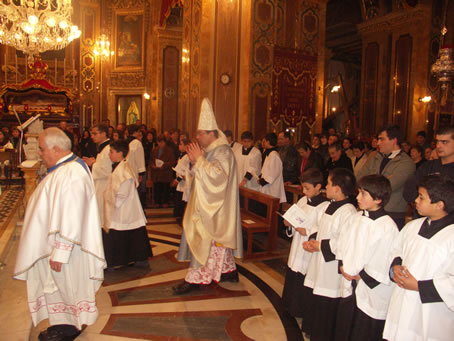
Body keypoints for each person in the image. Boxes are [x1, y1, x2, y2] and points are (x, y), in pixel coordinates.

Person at [14, 127, 105, 341]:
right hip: (58, 246)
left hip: (66, 250)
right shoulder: (66, 168)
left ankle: (68, 328)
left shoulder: (72, 173)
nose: (40, 154)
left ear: (56, 149)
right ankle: (63, 324)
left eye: (43, 149)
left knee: (66, 286)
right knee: (57, 287)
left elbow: (72, 214)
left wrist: (61, 251)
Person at [173, 98, 243, 294]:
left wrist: (200, 161)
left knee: (204, 241)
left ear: (211, 133)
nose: (197, 136)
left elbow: (219, 178)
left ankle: (196, 280)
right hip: (205, 205)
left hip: (215, 210)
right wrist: (196, 163)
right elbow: (201, 176)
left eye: (200, 133)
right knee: (211, 244)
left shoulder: (223, 152)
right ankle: (228, 271)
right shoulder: (211, 150)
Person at [384, 174, 454, 341]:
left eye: (421, 197)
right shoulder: (413, 226)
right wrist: (396, 266)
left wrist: (419, 286)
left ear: (439, 205)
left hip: (430, 312)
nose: (415, 200)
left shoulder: (451, 236)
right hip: (402, 302)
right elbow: (396, 250)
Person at [339, 175, 398, 341]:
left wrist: (360, 276)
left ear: (378, 199)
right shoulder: (357, 217)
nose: (357, 197)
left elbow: (383, 260)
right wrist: (343, 264)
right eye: (358, 192)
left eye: (363, 194)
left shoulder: (387, 227)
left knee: (364, 330)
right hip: (351, 280)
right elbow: (345, 243)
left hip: (370, 287)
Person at [301, 168, 357, 340]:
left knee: (327, 301)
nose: (326, 186)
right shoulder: (331, 204)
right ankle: (313, 330)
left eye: (329, 184)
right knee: (316, 298)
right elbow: (320, 225)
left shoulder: (348, 211)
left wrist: (321, 246)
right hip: (320, 259)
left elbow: (344, 241)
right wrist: (312, 240)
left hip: (331, 266)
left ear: (338, 188)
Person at [281, 169, 329, 319]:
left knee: (303, 277)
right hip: (297, 245)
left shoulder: (325, 207)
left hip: (309, 249)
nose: (304, 191)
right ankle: (289, 307)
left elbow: (323, 230)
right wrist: (289, 224)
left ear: (318, 187)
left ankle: (300, 310)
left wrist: (307, 232)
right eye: (303, 187)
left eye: (307, 188)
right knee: (293, 274)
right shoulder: (302, 201)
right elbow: (294, 218)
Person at [102, 140, 152, 270]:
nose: (109, 155)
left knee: (120, 234)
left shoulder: (124, 170)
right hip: (123, 207)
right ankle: (130, 259)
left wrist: (112, 203)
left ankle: (113, 262)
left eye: (111, 152)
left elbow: (123, 193)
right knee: (129, 234)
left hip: (123, 208)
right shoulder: (120, 167)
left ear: (120, 153)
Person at [357, 125, 415, 229]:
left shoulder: (406, 162)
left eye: (382, 139)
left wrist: (371, 180)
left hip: (392, 213)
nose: (378, 143)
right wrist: (381, 179)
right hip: (370, 210)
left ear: (394, 140)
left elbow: (387, 186)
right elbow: (360, 178)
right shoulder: (376, 157)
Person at [404, 125, 454, 206]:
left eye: (444, 142)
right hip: (423, 215)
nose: (438, 146)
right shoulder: (428, 166)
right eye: (437, 141)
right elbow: (409, 188)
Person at [83, 124, 112, 228]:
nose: (92, 136)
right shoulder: (103, 149)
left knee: (103, 215)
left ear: (103, 134)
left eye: (95, 134)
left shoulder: (108, 149)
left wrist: (93, 164)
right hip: (100, 185)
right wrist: (94, 162)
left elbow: (107, 170)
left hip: (105, 185)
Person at [258, 133, 286, 203]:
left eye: (264, 141)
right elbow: (266, 169)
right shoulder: (269, 154)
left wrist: (264, 181)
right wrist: (260, 176)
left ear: (268, 142)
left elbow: (274, 173)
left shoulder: (274, 155)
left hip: (272, 189)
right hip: (267, 187)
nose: (263, 143)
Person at [150, 134, 176, 208]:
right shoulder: (154, 150)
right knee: (157, 188)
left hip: (165, 172)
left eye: (162, 142)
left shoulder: (169, 150)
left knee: (165, 188)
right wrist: (153, 165)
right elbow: (151, 160)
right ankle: (157, 202)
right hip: (156, 172)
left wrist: (164, 165)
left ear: (165, 142)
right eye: (159, 142)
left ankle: (165, 202)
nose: (160, 144)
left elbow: (172, 162)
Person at [172, 137, 191, 222]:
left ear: (187, 146)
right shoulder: (181, 155)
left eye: (181, 144)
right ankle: (179, 215)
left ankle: (181, 216)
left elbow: (185, 170)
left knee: (182, 200)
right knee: (179, 199)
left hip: (184, 182)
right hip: (181, 182)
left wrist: (177, 180)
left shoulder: (187, 157)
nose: (179, 146)